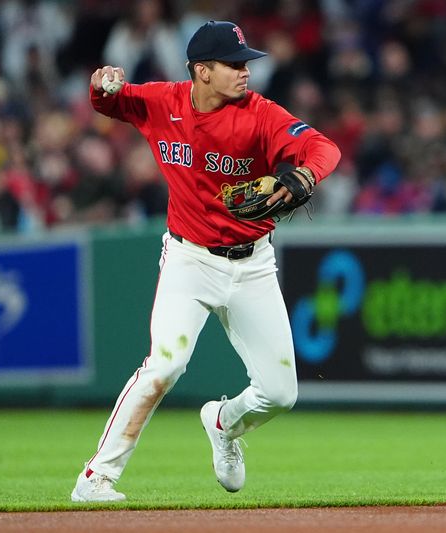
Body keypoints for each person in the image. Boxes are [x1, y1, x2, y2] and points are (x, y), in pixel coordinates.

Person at [71, 20, 341, 502]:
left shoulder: (261, 115)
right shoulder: (164, 102)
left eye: (246, 63)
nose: (245, 72)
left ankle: (223, 423)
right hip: (189, 260)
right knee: (165, 366)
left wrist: (305, 175)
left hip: (253, 263)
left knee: (281, 394)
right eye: (234, 64)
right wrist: (100, 85)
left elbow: (324, 147)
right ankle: (96, 478)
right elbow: (112, 100)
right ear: (202, 71)